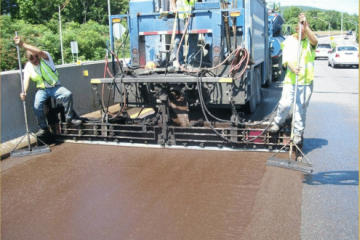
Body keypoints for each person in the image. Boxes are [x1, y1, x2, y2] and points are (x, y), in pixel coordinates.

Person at [14, 36, 82, 136]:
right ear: (29, 60)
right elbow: (26, 80)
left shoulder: (46, 58)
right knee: (37, 106)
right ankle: (43, 127)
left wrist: (22, 45)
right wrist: (23, 91)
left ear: (38, 56)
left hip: (55, 87)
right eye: (33, 62)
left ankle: (70, 118)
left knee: (67, 94)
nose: (36, 63)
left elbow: (40, 51)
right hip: (42, 90)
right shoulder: (28, 66)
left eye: (36, 60)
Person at [269, 13, 318, 145]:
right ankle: (277, 123)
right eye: (301, 32)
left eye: (305, 33)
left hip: (306, 82)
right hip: (291, 81)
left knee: (300, 109)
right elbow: (285, 58)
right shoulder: (289, 41)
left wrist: (306, 26)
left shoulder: (309, 42)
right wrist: (291, 67)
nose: (303, 35)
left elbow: (315, 41)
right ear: (297, 31)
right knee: (284, 104)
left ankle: (297, 133)